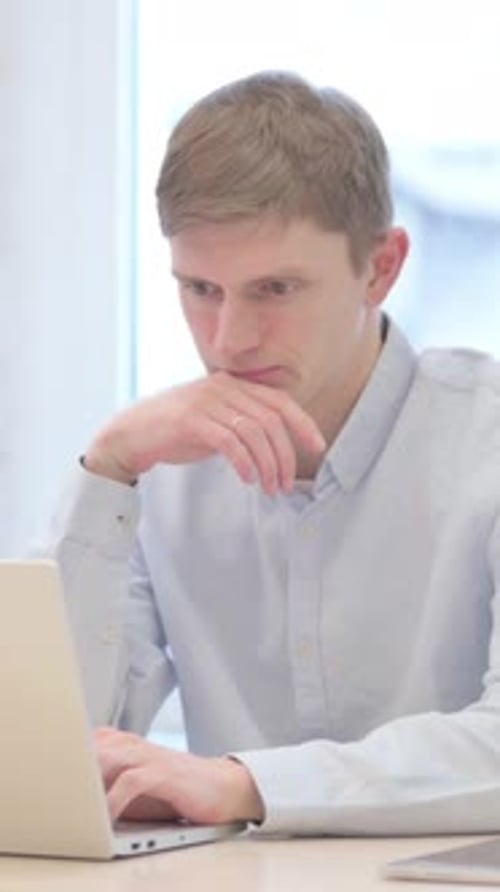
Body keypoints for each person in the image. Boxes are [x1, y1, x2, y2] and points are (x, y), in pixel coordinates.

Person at [46, 70, 500, 836]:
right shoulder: (158, 467)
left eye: (275, 290)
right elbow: (54, 749)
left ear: (381, 268)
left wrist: (249, 784)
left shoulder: (485, 442)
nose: (229, 341)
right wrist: (108, 468)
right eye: (200, 289)